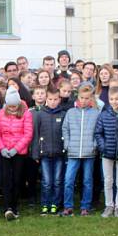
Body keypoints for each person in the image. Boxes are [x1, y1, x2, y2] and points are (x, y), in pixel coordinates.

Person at [0, 87, 33, 220]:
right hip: (5, 151)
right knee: (5, 180)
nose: (12, 109)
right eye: (9, 107)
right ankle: (7, 207)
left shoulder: (26, 113)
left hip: (19, 152)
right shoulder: (1, 113)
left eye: (14, 106)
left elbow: (28, 134)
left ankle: (15, 206)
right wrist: (1, 148)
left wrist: (16, 149)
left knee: (17, 180)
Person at [61, 82, 100, 216]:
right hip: (73, 152)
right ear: (78, 97)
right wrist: (67, 144)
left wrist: (94, 145)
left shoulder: (95, 113)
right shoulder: (71, 112)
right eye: (82, 98)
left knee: (87, 181)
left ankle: (85, 207)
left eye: (87, 98)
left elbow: (98, 131)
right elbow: (65, 129)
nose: (84, 100)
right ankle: (68, 206)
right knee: (68, 180)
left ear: (91, 99)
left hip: (89, 152)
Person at [32, 86, 66, 215]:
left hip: (59, 153)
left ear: (59, 99)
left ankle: (55, 204)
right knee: (46, 181)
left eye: (55, 99)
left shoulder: (63, 114)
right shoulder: (40, 114)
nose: (53, 102)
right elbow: (36, 134)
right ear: (46, 99)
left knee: (57, 181)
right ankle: (45, 204)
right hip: (45, 153)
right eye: (50, 99)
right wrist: (35, 153)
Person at [95, 86, 118, 218]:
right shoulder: (104, 114)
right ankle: (109, 205)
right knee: (108, 180)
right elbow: (98, 133)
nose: (115, 102)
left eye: (117, 99)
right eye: (112, 99)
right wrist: (103, 146)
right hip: (107, 153)